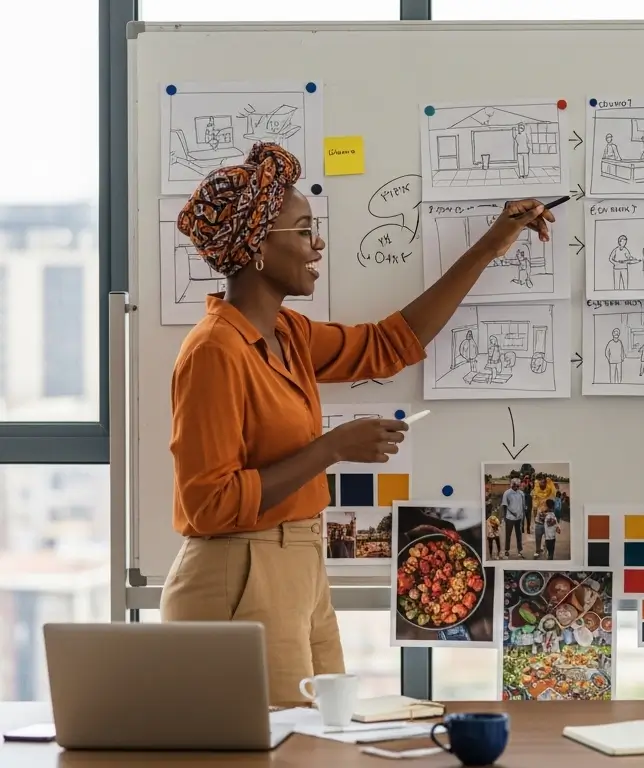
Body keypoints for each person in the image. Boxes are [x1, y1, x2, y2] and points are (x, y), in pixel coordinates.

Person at [160, 143, 553, 705]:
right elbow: (209, 506)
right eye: (302, 230)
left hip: (297, 566)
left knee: (322, 736)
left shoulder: (287, 335)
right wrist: (332, 448)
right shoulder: (214, 352)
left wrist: (493, 244)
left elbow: (391, 344)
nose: (317, 244)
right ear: (256, 250)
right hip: (240, 573)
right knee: (282, 750)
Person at [501, 479, 527, 557]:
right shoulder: (507, 493)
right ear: (512, 485)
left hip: (519, 518)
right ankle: (506, 550)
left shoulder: (521, 493)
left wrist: (523, 517)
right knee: (508, 535)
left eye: (518, 486)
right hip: (509, 518)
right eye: (515, 485)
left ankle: (520, 550)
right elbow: (505, 505)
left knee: (519, 535)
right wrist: (505, 517)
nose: (517, 487)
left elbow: (523, 506)